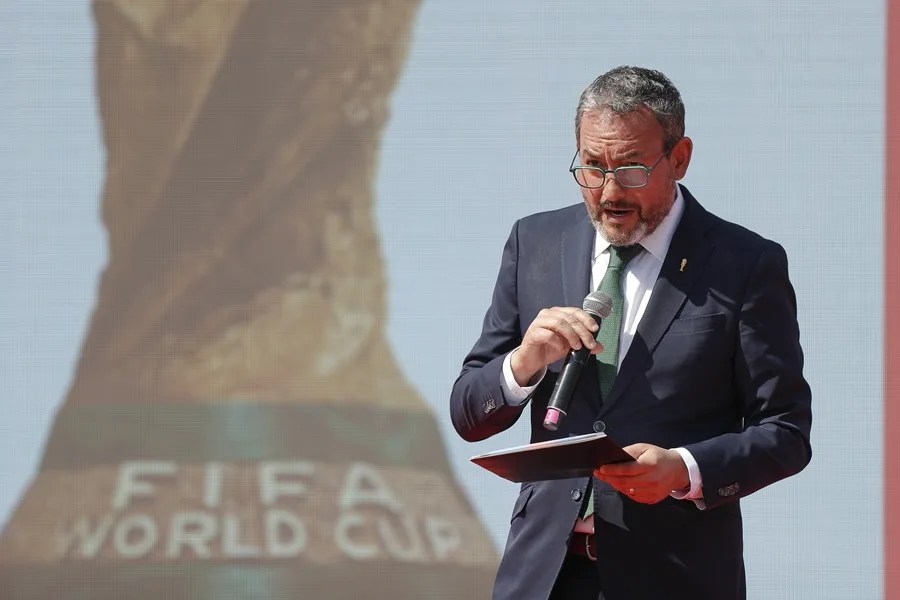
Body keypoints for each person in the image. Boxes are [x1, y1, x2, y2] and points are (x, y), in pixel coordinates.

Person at [449, 66, 812, 600]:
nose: (609, 191)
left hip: (674, 576)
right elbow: (468, 412)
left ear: (680, 158)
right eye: (591, 168)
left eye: (632, 169)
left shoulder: (745, 264)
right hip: (545, 575)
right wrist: (521, 364)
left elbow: (785, 433)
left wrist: (684, 469)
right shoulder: (536, 241)